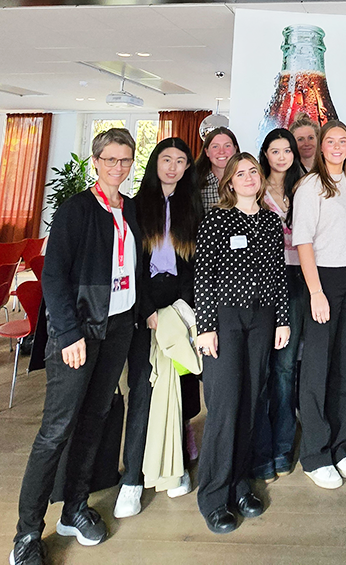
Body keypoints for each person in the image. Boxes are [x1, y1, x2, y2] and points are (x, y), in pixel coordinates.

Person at [11, 129, 140, 565]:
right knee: (56, 430)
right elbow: (54, 277)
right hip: (80, 330)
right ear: (95, 160)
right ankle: (27, 534)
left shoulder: (129, 209)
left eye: (125, 160)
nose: (118, 167)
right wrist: (67, 334)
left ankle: (74, 508)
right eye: (111, 159)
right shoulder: (77, 210)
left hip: (119, 325)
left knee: (96, 419)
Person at [193, 153, 290, 533]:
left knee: (251, 402)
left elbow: (278, 275)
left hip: (263, 319)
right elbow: (203, 276)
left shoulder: (269, 221)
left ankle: (239, 483)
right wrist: (205, 327)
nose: (249, 177)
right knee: (225, 406)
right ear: (229, 182)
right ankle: (214, 496)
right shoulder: (217, 219)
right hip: (225, 320)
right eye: (241, 173)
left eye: (254, 171)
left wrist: (282, 320)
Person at [115, 138, 201, 520]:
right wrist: (148, 308)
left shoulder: (191, 206)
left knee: (180, 389)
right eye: (166, 159)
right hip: (141, 304)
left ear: (186, 169)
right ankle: (132, 479)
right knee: (144, 388)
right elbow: (131, 264)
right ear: (155, 163)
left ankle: (174, 464)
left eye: (180, 161)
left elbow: (194, 263)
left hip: (181, 303)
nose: (173, 166)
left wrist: (184, 304)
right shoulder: (135, 207)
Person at [293, 120, 346, 490]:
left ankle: (339, 445)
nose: (339, 146)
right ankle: (314, 454)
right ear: (321, 146)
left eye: (344, 141)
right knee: (317, 367)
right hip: (323, 280)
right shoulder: (309, 187)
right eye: (332, 140)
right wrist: (315, 292)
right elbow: (304, 243)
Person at [252, 129, 307, 482]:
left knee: (286, 366)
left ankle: (283, 445)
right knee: (261, 366)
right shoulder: (254, 190)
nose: (283, 156)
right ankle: (260, 445)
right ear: (265, 155)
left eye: (288, 150)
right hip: (263, 283)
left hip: (299, 278)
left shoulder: (304, 189)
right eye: (276, 150)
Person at [195, 127, 239, 211]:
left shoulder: (247, 181)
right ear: (207, 152)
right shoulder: (195, 182)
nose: (221, 151)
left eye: (227, 146)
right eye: (215, 146)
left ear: (235, 149)